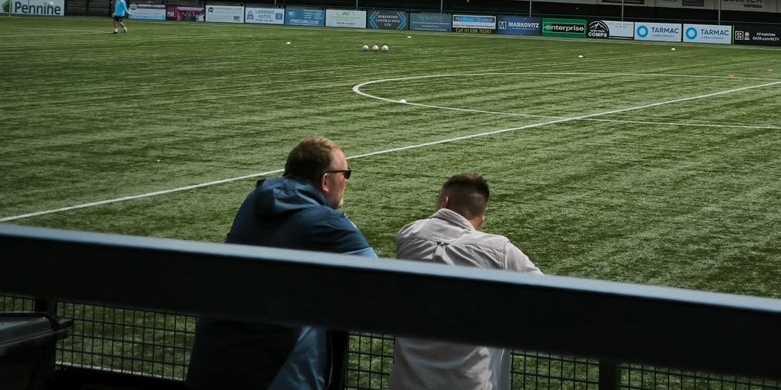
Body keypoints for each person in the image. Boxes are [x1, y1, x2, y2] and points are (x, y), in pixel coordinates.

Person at [186, 137, 377, 390]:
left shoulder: (254, 201)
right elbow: (380, 285)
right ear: (325, 181)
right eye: (346, 173)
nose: (347, 180)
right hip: (277, 371)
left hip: (213, 360)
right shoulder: (327, 223)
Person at [389, 174, 541, 390]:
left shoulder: (409, 235)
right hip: (470, 383)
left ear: (445, 202)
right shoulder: (499, 250)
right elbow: (548, 296)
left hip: (407, 382)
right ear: (481, 221)